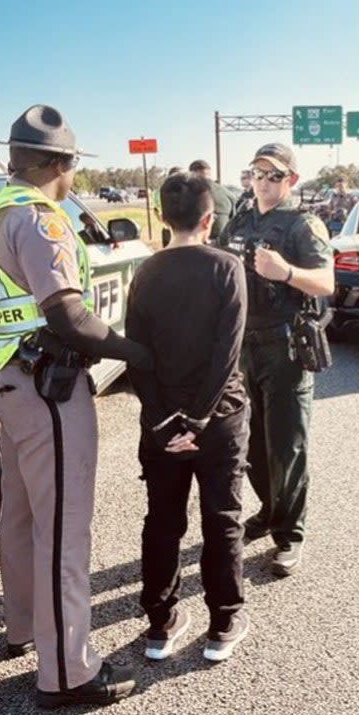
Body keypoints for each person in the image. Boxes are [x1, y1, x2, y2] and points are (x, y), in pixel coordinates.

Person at [0, 104, 153, 709]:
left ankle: (24, 629)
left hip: (4, 377)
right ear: (62, 164)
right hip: (46, 387)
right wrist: (138, 355)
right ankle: (68, 672)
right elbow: (69, 316)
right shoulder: (40, 219)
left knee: (23, 519)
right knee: (65, 531)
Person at [126, 171, 252, 664]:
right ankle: (224, 621)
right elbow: (227, 355)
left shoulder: (146, 273)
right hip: (218, 421)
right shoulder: (227, 268)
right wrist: (197, 421)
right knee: (221, 517)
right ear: (209, 218)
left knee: (162, 520)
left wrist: (164, 422)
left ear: (161, 215)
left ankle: (161, 623)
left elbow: (137, 355)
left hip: (162, 426)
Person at [219, 143, 334, 577]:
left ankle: (290, 533)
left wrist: (285, 271)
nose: (264, 182)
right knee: (252, 445)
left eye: (274, 176)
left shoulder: (304, 225)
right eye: (257, 174)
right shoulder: (241, 220)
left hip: (286, 348)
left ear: (292, 181)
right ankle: (270, 511)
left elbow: (326, 282)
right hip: (243, 347)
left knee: (288, 446)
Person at [189, 159, 236, 240]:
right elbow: (234, 223)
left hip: (196, 242)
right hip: (223, 245)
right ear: (210, 173)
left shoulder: (187, 193)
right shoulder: (228, 194)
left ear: (191, 174)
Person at [153, 166, 183, 247]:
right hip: (180, 231)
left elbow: (156, 210)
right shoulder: (185, 191)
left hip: (168, 228)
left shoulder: (159, 191)